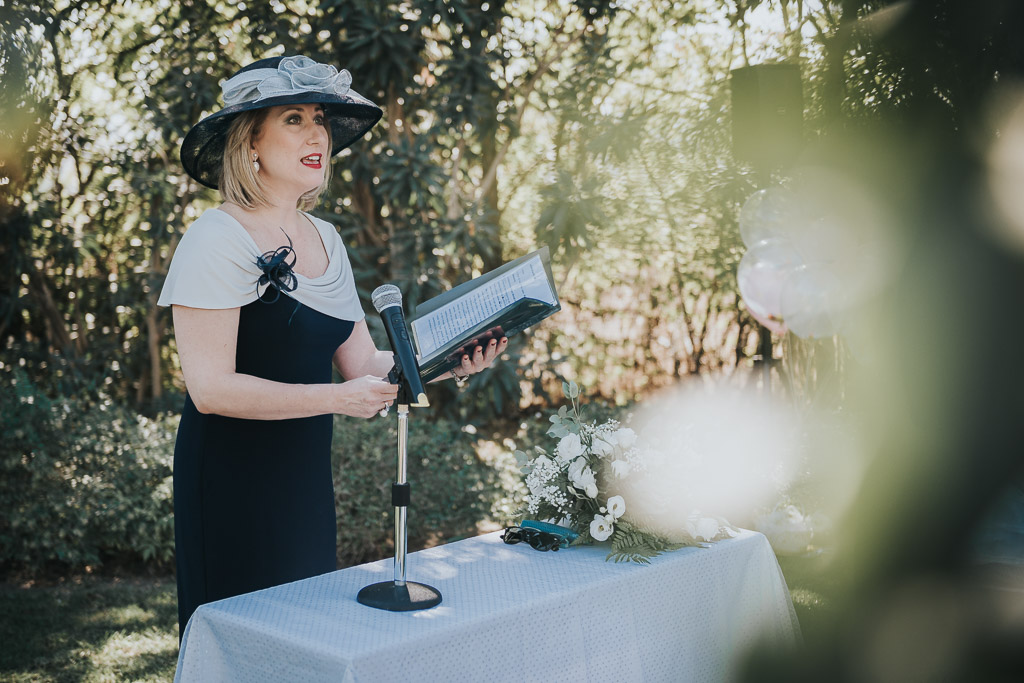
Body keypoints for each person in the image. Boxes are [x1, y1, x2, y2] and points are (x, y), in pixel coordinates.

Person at [158, 55, 507, 637]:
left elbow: (365, 364)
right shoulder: (214, 237)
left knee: (305, 636)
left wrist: (452, 360)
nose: (317, 132)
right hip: (230, 477)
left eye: (319, 117)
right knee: (245, 637)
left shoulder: (327, 238)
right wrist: (336, 398)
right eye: (294, 118)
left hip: (302, 476)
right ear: (250, 144)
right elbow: (211, 389)